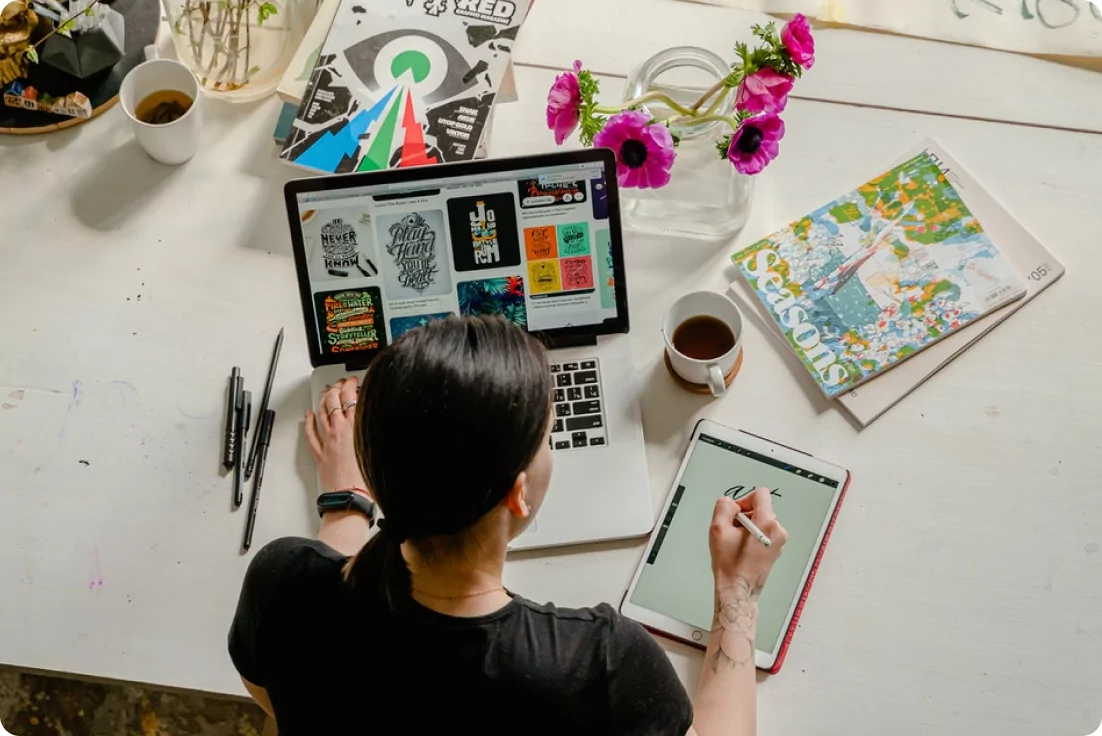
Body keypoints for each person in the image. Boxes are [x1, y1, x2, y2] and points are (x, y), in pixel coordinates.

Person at [228, 316, 787, 735]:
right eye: (547, 437)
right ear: (518, 493)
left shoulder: (284, 585)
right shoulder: (599, 663)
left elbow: (273, 689)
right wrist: (737, 592)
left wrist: (345, 502)